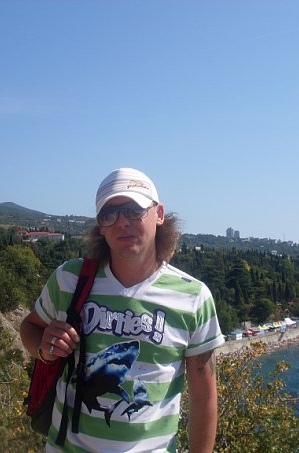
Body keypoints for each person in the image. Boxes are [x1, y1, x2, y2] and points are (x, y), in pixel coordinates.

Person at [20, 167, 225, 452]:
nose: (122, 222)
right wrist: (44, 349)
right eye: (110, 214)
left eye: (133, 210)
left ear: (159, 214)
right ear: (100, 226)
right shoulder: (69, 279)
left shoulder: (193, 298)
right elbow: (29, 327)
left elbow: (204, 399)